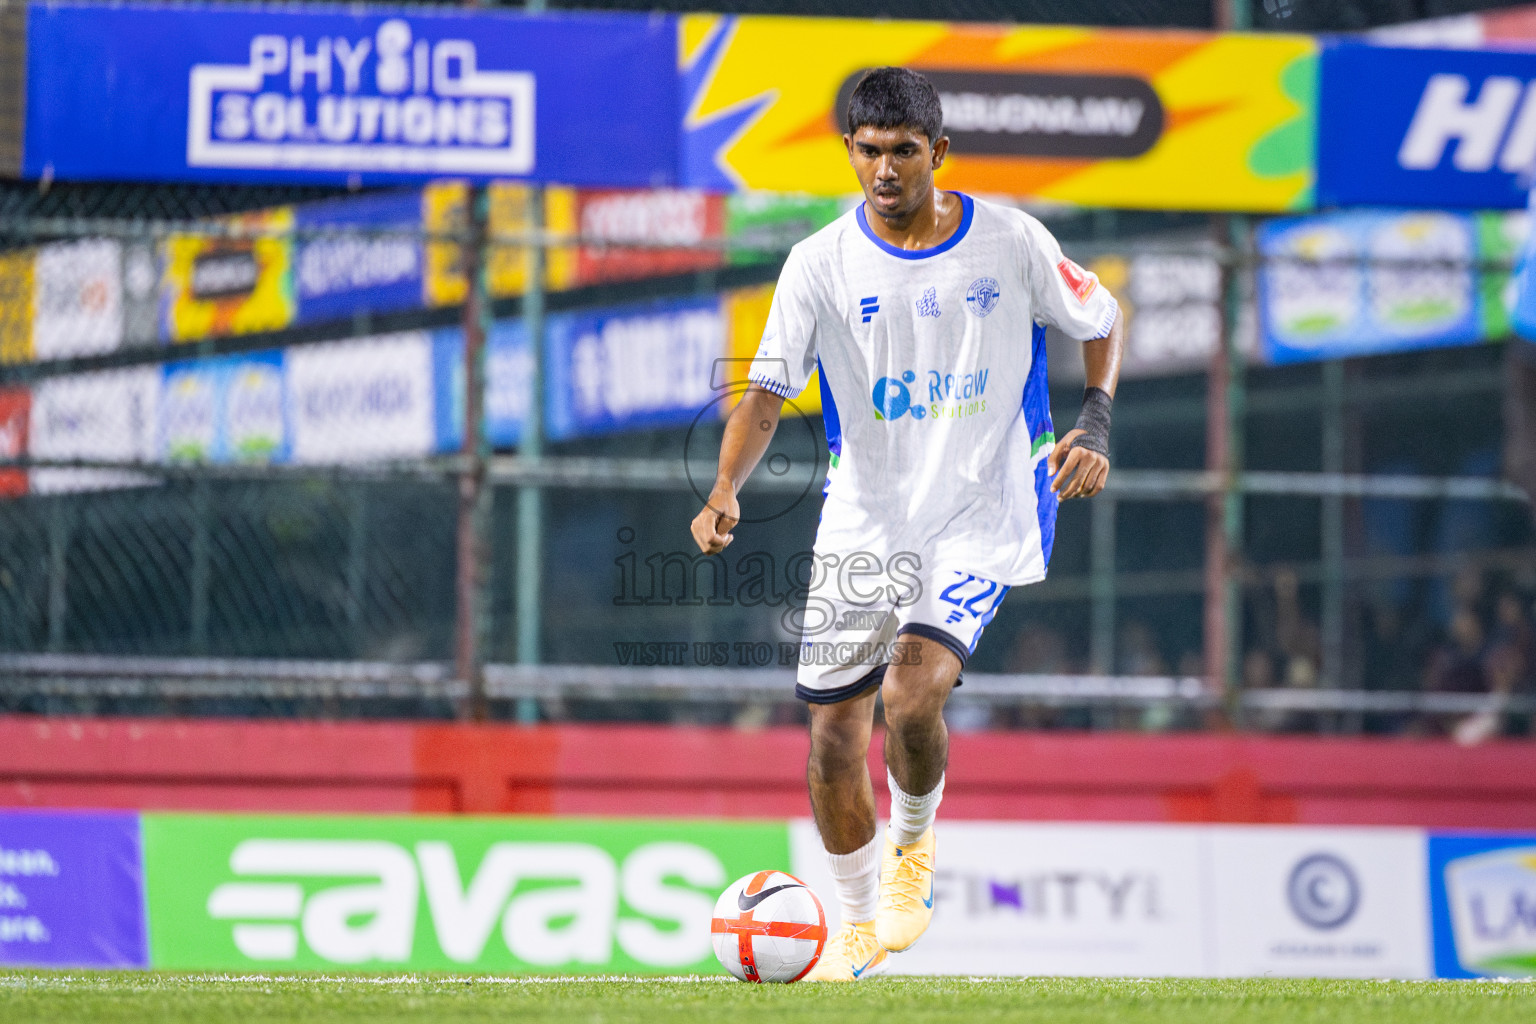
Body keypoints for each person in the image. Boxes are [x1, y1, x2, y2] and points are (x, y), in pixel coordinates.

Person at [689, 67, 1124, 981]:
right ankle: (857, 924)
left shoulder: (1010, 240)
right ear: (849, 151)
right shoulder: (818, 263)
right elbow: (766, 393)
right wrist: (725, 485)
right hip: (865, 520)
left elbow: (1101, 316)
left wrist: (1094, 423)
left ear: (939, 151)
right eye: (869, 151)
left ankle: (913, 851)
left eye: (904, 151)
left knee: (912, 694)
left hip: (985, 510)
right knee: (832, 740)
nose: (885, 169)